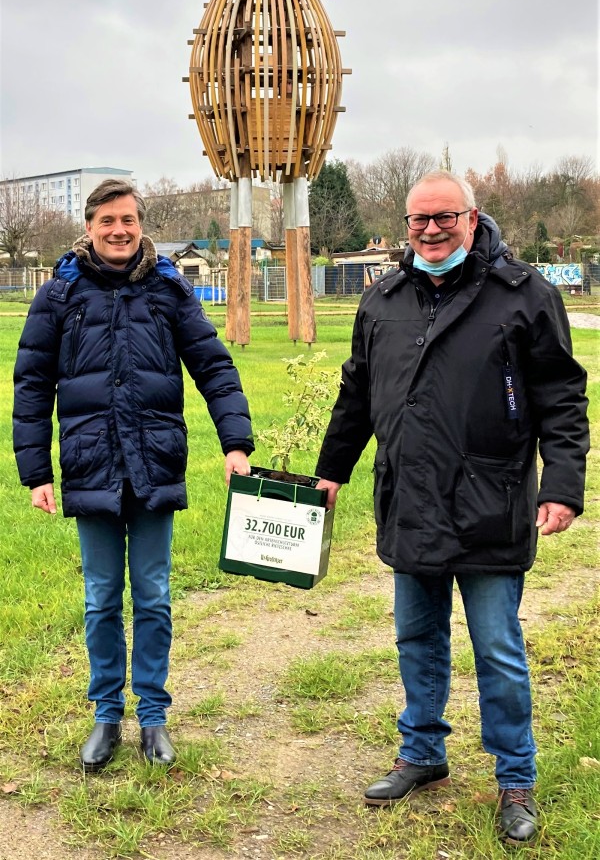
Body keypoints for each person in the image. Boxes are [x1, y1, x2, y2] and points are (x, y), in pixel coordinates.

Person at [315, 170, 589, 843]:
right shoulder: (382, 299)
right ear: (405, 227)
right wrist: (331, 469)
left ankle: (515, 778)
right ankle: (423, 752)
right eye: (419, 220)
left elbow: (561, 394)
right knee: (416, 637)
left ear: (472, 217)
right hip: (410, 499)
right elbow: (356, 392)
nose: (431, 230)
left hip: (490, 500)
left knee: (497, 647)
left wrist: (562, 483)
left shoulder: (525, 296)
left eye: (445, 217)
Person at [13, 179, 254, 772]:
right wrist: (36, 471)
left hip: (154, 465)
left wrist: (236, 443)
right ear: (89, 226)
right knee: (100, 600)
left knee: (151, 596)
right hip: (92, 467)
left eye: (129, 220)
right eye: (107, 221)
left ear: (140, 224)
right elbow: (32, 385)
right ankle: (105, 715)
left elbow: (213, 367)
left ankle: (152, 716)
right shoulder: (59, 294)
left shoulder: (169, 288)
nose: (119, 230)